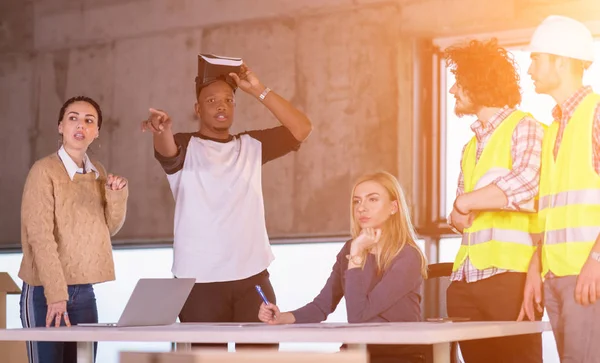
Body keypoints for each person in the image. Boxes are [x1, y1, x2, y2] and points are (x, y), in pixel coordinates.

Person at [141, 62, 312, 347]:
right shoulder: (185, 145)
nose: (222, 106)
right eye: (211, 101)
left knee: (260, 356)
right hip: (198, 284)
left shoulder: (252, 145)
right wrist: (162, 129)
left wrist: (258, 90)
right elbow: (166, 149)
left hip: (252, 278)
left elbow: (302, 128)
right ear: (198, 109)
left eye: (228, 100)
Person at [258, 171, 428, 363]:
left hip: (398, 354)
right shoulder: (349, 248)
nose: (362, 208)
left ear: (393, 207)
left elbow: (358, 317)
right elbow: (321, 306)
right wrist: (282, 317)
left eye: (372, 200)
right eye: (357, 201)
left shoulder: (407, 256)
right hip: (357, 350)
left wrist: (356, 255)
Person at [444, 39, 544, 363]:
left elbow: (527, 183)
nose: (452, 91)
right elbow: (459, 215)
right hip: (465, 282)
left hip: (510, 280)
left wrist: (466, 204)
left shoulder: (524, 127)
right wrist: (465, 206)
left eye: (458, 82)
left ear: (478, 81)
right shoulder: (470, 147)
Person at [18, 96, 129, 363]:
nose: (81, 125)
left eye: (89, 121)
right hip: (44, 291)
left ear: (97, 131)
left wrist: (117, 195)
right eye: (73, 118)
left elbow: (106, 230)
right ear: (60, 127)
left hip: (84, 291)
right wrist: (56, 295)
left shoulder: (98, 172)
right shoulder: (43, 171)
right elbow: (41, 237)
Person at [520, 15, 600, 362]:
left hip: (588, 276)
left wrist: (597, 260)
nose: (529, 70)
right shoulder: (553, 127)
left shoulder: (596, 114)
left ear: (561, 61)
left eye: (536, 59)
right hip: (556, 277)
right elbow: (548, 213)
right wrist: (536, 269)